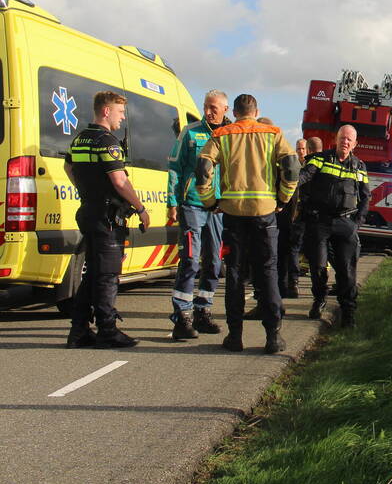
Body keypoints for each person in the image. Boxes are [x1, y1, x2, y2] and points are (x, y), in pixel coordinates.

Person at [195, 95, 299, 354]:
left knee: (234, 274)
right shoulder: (273, 133)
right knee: (267, 273)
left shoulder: (222, 134)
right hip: (265, 214)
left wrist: (209, 201)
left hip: (232, 215)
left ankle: (235, 336)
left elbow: (203, 166)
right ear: (256, 111)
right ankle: (273, 337)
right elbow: (291, 166)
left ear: (236, 111)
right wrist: (283, 199)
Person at [64, 91, 152, 349]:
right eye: (120, 112)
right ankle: (107, 331)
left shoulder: (79, 139)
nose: (122, 118)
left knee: (92, 274)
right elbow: (119, 181)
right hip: (107, 218)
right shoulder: (107, 142)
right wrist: (141, 208)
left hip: (88, 212)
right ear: (106, 111)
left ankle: (78, 331)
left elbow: (68, 168)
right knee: (107, 276)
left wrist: (86, 190)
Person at [166, 90, 231, 339]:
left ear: (225, 109)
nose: (208, 111)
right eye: (206, 106)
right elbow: (174, 167)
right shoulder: (190, 132)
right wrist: (172, 201)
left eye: (214, 107)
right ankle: (182, 316)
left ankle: (203, 311)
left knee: (214, 263)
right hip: (191, 204)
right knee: (191, 261)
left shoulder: (230, 135)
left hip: (218, 208)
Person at [298, 125, 370, 328]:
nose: (345, 142)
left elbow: (366, 196)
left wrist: (357, 223)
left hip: (346, 223)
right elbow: (303, 178)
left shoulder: (359, 166)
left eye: (349, 140)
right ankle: (319, 298)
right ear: (336, 140)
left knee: (347, 271)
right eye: (342, 138)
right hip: (320, 221)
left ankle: (348, 313)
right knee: (318, 266)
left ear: (354, 144)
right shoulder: (320, 159)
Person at [275, 138, 308, 299]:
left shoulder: (308, 168)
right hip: (288, 214)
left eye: (302, 149)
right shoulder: (292, 166)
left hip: (300, 215)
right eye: (298, 148)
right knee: (287, 249)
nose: (300, 151)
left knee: (293, 250)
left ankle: (293, 282)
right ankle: (286, 283)